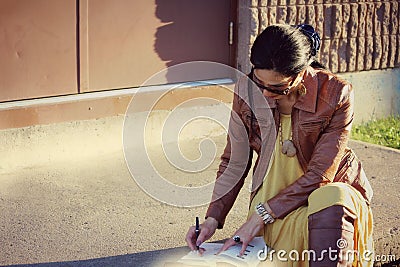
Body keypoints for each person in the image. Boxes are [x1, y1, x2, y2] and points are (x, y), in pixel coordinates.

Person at [185, 24, 374, 266]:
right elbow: (235, 162)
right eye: (259, 81)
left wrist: (262, 215)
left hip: (324, 199)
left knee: (333, 199)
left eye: (276, 88)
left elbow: (320, 175)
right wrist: (212, 218)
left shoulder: (336, 94)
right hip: (273, 207)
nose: (263, 94)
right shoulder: (245, 89)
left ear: (301, 73)